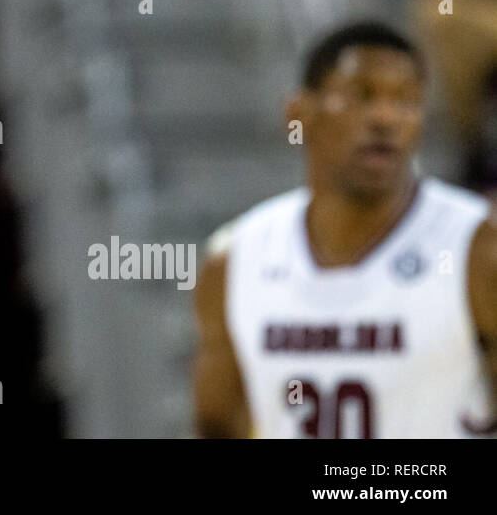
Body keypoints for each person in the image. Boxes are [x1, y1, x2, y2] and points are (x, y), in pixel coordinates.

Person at [193, 21, 497, 437]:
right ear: (298, 113)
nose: (385, 118)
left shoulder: (478, 249)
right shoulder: (235, 261)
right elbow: (216, 426)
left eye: (406, 101)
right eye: (361, 96)